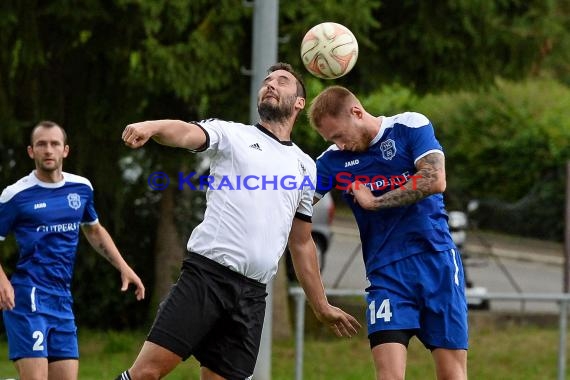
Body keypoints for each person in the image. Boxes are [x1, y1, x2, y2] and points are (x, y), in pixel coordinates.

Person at [115, 63, 361, 380]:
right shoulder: (233, 135)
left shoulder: (304, 166)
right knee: (146, 373)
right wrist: (152, 126)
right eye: (267, 81)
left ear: (299, 102)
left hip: (252, 295)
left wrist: (320, 304)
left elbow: (301, 243)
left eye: (282, 82)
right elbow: (187, 132)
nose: (270, 85)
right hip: (206, 278)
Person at [308, 85, 468, 380]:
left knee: (452, 375)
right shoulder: (331, 161)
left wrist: (375, 201)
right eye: (332, 140)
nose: (340, 145)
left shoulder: (410, 126)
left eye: (340, 135)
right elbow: (292, 205)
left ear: (356, 112)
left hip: (438, 264)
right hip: (387, 275)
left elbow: (434, 178)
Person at [0, 120, 146, 380]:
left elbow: (94, 230)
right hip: (28, 297)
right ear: (31, 151)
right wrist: (1, 281)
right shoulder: (15, 195)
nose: (48, 150)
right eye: (41, 144)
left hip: (62, 300)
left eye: (54, 144)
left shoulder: (81, 188)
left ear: (65, 150)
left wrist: (124, 267)